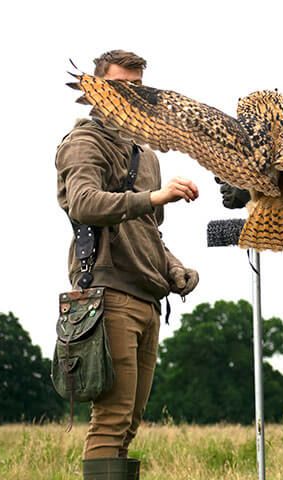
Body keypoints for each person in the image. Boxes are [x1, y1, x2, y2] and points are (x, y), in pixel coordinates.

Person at [56, 50, 200, 480]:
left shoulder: (147, 155)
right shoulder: (85, 142)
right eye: (122, 86)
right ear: (97, 89)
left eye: (140, 88)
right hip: (107, 294)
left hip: (147, 296)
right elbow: (82, 203)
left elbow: (149, 231)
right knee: (112, 417)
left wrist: (173, 269)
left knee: (130, 422)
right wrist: (156, 197)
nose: (133, 96)